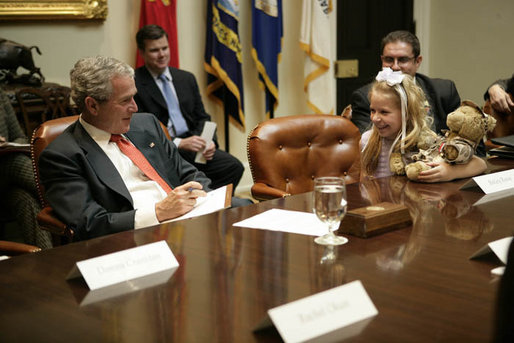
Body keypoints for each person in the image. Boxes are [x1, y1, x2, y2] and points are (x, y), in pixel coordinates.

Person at [39, 56, 249, 242]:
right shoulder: (62, 155)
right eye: (125, 100)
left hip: (188, 221)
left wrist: (210, 202)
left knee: (247, 209)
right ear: (92, 105)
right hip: (137, 238)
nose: (135, 107)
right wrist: (159, 212)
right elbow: (91, 224)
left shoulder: (146, 125)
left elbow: (187, 173)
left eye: (134, 96)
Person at [134, 24, 244, 193]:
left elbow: (202, 117)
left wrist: (208, 141)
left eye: (165, 48)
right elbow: (141, 131)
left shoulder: (185, 78)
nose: (162, 54)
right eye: (154, 50)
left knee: (234, 167)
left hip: (195, 146)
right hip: (166, 150)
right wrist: (179, 143)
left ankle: (210, 204)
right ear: (142, 53)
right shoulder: (135, 83)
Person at [360, 68, 486, 182]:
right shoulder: (367, 141)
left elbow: (480, 164)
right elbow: (363, 184)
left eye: (384, 112)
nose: (375, 118)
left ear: (407, 113)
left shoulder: (426, 141)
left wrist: (450, 172)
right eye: (372, 110)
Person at [351, 30, 461, 138]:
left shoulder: (444, 91)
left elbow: (463, 137)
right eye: (389, 60)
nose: (395, 66)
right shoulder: (364, 97)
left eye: (403, 60)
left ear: (417, 61)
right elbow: (369, 144)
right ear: (382, 60)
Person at [0, 88, 52, 249]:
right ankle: (69, 202)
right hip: (10, 165)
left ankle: (48, 263)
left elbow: (19, 136)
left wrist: (9, 144)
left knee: (25, 199)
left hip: (5, 174)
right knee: (15, 161)